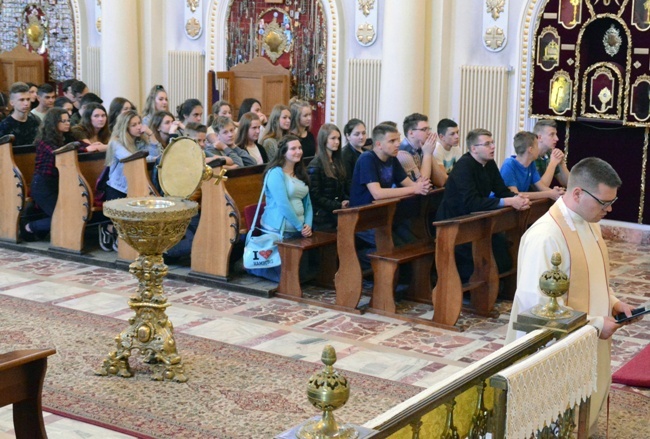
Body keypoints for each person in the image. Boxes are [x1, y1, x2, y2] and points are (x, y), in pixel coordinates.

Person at [505, 157, 637, 436]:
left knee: (584, 409)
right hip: (558, 350)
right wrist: (596, 324)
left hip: (588, 338)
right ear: (577, 193)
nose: (609, 209)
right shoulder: (546, 236)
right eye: (604, 203)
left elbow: (594, 274)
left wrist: (613, 302)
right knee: (554, 419)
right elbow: (537, 308)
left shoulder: (590, 222)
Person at [436, 128, 531, 282]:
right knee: (481, 263)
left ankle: (499, 289)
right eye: (487, 144)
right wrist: (508, 202)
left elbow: (501, 190)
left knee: (503, 255)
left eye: (492, 143)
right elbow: (471, 202)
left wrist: (518, 198)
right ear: (474, 148)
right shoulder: (464, 167)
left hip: (477, 221)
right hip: (454, 224)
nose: (493, 147)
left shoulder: (489, 163)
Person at [350, 124, 432, 265]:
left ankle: (407, 283)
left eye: (398, 140)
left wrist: (421, 186)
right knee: (395, 247)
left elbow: (409, 184)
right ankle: (359, 263)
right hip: (362, 219)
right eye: (392, 141)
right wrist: (415, 189)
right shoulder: (367, 159)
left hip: (384, 216)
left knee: (413, 244)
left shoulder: (392, 159)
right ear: (379, 144)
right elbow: (377, 193)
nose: (397, 144)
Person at [247, 135, 313, 282]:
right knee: (287, 278)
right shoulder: (275, 173)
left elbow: (308, 203)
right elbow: (283, 204)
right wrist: (299, 226)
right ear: (283, 152)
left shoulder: (300, 172)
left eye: (300, 148)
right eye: (293, 149)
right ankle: (251, 267)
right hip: (280, 230)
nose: (298, 151)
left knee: (302, 276)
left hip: (298, 231)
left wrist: (308, 224)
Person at [100, 110, 161, 251]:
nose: (139, 127)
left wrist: (151, 135)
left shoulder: (140, 140)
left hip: (136, 185)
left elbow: (156, 155)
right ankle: (108, 229)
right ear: (125, 127)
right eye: (134, 125)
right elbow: (129, 158)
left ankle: (125, 242)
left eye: (139, 123)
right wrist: (150, 158)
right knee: (123, 220)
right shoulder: (116, 142)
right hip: (117, 187)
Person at [20, 108, 74, 241]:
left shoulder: (64, 138)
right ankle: (30, 226)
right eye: (64, 121)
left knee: (70, 215)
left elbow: (75, 146)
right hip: (43, 185)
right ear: (54, 123)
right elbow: (59, 153)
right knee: (62, 216)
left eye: (68, 120)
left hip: (56, 184)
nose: (68, 123)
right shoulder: (44, 141)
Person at [500, 131, 565, 200]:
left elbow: (541, 187)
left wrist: (556, 192)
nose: (538, 148)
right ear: (530, 150)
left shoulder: (531, 164)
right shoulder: (509, 165)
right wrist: (549, 193)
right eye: (537, 145)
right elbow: (515, 194)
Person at [307, 123, 349, 231]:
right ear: (324, 139)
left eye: (338, 138)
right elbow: (316, 196)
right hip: (322, 217)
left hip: (336, 213)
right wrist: (338, 205)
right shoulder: (316, 165)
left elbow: (341, 188)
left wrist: (345, 200)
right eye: (333, 138)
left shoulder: (338, 161)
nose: (337, 142)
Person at [397, 113, 447, 187]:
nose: (429, 133)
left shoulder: (424, 147)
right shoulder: (402, 152)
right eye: (424, 129)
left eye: (429, 129)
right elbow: (423, 184)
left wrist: (429, 153)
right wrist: (427, 154)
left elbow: (441, 182)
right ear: (411, 133)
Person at [534, 119, 569, 187]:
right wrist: (553, 163)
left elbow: (567, 184)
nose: (557, 138)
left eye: (556, 134)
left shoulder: (549, 154)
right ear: (539, 137)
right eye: (552, 134)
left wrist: (561, 163)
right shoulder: (530, 156)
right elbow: (540, 188)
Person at [341, 118, 368, 190]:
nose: (361, 137)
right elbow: (348, 183)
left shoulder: (367, 152)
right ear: (348, 136)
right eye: (357, 134)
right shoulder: (345, 155)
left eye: (363, 133)